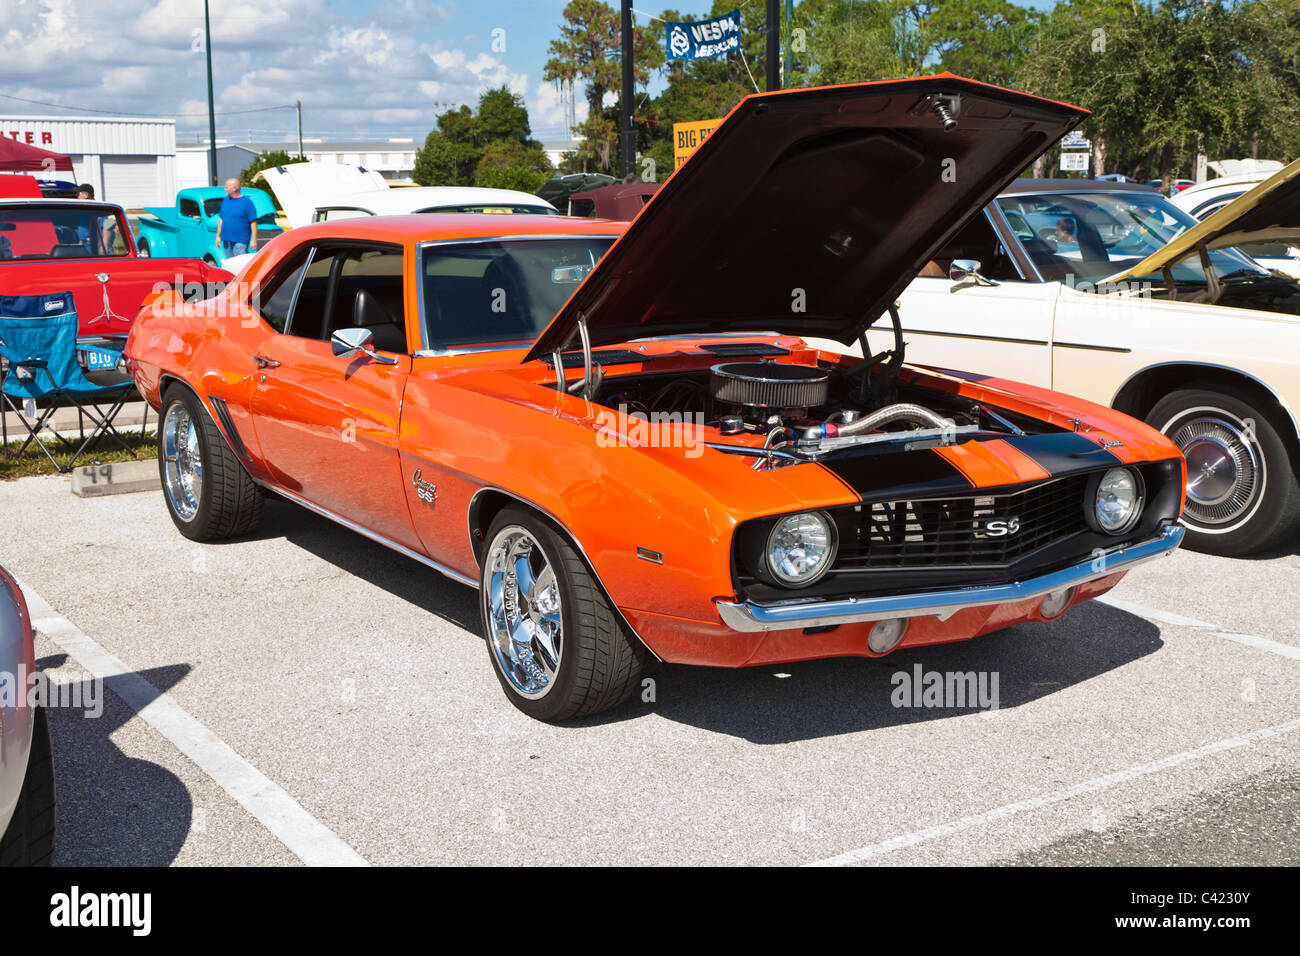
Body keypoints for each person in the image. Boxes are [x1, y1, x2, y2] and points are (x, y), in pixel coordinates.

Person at [215, 178, 258, 259]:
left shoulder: (246, 202)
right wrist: (218, 236)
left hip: (240, 241)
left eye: (227, 187)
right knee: (230, 266)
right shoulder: (225, 200)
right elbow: (221, 219)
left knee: (240, 266)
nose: (225, 189)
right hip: (226, 240)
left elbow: (253, 222)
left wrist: (253, 239)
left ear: (235, 188)